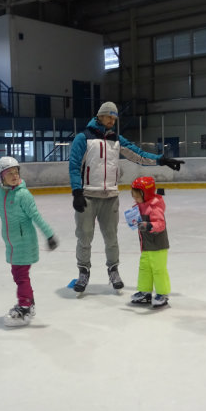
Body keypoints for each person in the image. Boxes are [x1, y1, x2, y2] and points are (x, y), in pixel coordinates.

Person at [68, 101, 183, 296]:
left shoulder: (116, 139)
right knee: (84, 236)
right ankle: (83, 272)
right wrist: (77, 192)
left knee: (111, 238)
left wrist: (160, 159)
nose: (112, 121)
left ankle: (113, 270)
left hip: (110, 197)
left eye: (114, 118)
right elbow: (74, 165)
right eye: (109, 116)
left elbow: (138, 155)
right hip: (88, 196)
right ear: (100, 115)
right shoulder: (83, 138)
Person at [0, 157, 58, 327]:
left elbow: (36, 216)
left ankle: (24, 306)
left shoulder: (23, 195)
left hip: (25, 242)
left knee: (21, 275)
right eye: (9, 173)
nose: (14, 175)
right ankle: (29, 303)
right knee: (18, 274)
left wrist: (49, 235)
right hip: (11, 243)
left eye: (16, 172)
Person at [128, 176, 171, 308]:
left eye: (137, 196)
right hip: (146, 245)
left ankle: (162, 294)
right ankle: (145, 291)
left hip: (158, 245)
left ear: (145, 194)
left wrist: (149, 226)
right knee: (144, 268)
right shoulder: (140, 206)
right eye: (133, 196)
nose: (135, 199)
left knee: (158, 270)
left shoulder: (154, 207)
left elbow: (161, 224)